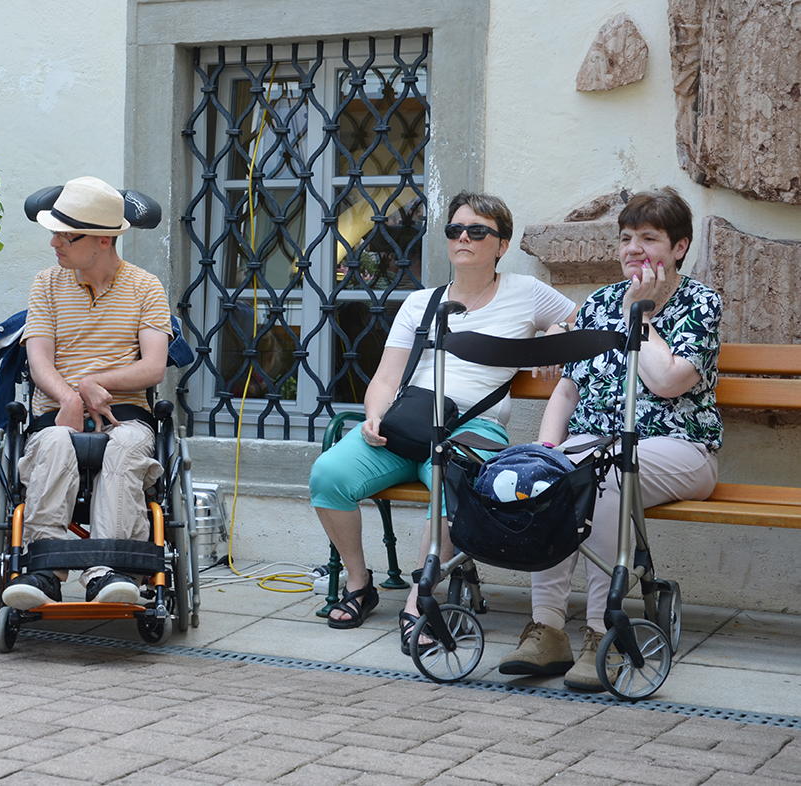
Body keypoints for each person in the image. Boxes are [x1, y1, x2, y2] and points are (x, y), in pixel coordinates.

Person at [309, 192, 577, 655]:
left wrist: (557, 330)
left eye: (477, 231)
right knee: (328, 474)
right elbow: (386, 378)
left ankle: (421, 600)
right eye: (455, 230)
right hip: (409, 424)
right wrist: (373, 416)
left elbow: (583, 318)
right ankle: (359, 582)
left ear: (502, 245)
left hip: (474, 428)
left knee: (450, 490)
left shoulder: (526, 292)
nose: (463, 238)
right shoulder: (421, 303)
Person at [499, 187, 721, 691]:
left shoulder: (701, 303)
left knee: (603, 479)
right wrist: (547, 452)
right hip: (597, 447)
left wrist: (640, 315)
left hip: (682, 448)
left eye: (649, 238)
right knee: (551, 481)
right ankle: (547, 629)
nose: (633, 248)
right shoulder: (598, 303)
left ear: (679, 247)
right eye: (626, 238)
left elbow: (667, 381)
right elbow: (568, 390)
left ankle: (604, 633)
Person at [0, 176, 172, 611]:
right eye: (54, 232)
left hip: (126, 414)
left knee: (127, 446)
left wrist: (98, 382)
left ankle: (109, 572)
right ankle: (44, 571)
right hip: (56, 413)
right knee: (55, 443)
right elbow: (39, 360)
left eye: (65, 235)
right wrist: (72, 396)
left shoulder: (146, 287)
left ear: (102, 240)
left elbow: (154, 366)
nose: (54, 243)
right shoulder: (47, 283)